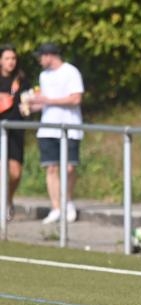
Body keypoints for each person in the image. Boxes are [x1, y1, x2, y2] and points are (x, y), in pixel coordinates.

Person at [28, 42, 84, 224]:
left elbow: (76, 98)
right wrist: (31, 105)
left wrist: (48, 100)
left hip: (69, 127)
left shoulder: (70, 72)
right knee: (51, 168)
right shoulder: (44, 75)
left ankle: (68, 202)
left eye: (41, 56)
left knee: (69, 167)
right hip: (47, 127)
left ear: (50, 55)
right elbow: (46, 102)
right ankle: (56, 207)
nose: (39, 60)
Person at [0, 44, 31, 221]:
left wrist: (29, 105)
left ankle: (8, 199)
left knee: (15, 173)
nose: (11, 62)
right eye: (7, 58)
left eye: (13, 58)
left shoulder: (20, 81)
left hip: (16, 130)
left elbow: (27, 105)